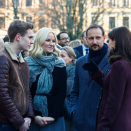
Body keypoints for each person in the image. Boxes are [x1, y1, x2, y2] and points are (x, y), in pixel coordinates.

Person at [83, 26, 131, 131]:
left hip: (116, 124)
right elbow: (113, 85)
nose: (108, 43)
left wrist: (104, 126)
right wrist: (96, 72)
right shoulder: (125, 63)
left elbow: (114, 101)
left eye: (110, 40)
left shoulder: (119, 65)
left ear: (118, 42)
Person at [70, 24, 111, 131]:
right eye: (91, 38)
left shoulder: (114, 61)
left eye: (98, 38)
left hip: (106, 122)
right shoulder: (80, 62)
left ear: (104, 38)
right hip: (82, 122)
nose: (94, 42)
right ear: (86, 39)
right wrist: (75, 111)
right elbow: (75, 91)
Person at [25, 27, 67, 131]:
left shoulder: (59, 63)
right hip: (32, 116)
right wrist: (34, 116)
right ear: (39, 41)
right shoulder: (26, 63)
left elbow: (62, 92)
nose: (52, 44)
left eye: (53, 41)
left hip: (55, 116)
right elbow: (25, 93)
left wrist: (53, 116)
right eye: (47, 40)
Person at [0, 19, 34, 131]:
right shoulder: (3, 59)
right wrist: (20, 122)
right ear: (18, 37)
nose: (32, 41)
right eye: (29, 37)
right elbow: (2, 95)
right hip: (6, 124)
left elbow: (27, 91)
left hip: (20, 121)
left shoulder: (23, 62)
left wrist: (29, 116)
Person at [60, 46, 76, 131]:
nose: (59, 58)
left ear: (71, 58)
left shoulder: (73, 69)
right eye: (58, 56)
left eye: (62, 56)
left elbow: (67, 89)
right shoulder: (60, 68)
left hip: (69, 107)